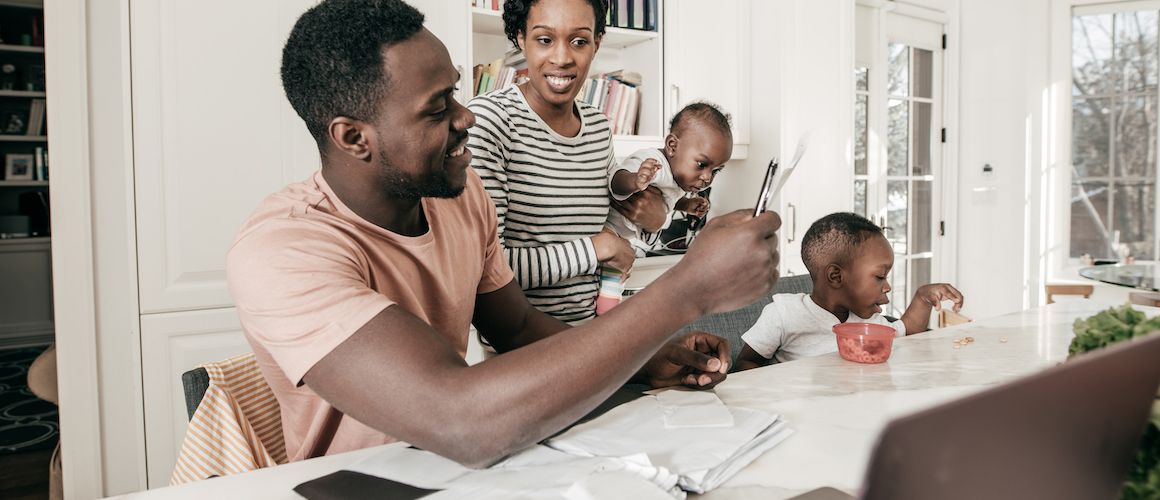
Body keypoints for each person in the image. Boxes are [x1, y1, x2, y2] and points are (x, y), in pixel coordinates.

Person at [226, 0, 782, 468]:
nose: (466, 117)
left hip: (469, 471)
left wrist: (648, 358)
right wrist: (688, 289)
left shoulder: (462, 201)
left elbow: (516, 326)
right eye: (436, 108)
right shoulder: (282, 251)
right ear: (353, 138)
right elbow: (458, 419)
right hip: (366, 481)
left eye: (456, 94)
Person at [468, 0, 671, 324]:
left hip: (596, 335)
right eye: (545, 39)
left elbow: (619, 230)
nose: (562, 58)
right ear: (520, 38)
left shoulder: (598, 125)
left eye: (578, 41)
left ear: (597, 42)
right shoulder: (491, 120)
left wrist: (655, 220)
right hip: (522, 351)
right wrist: (596, 249)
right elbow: (487, 269)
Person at [736, 212, 962, 370]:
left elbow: (908, 331)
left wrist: (922, 298)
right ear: (836, 277)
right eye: (879, 277)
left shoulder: (870, 323)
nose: (887, 287)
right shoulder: (784, 313)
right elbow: (745, 364)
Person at [606, 102, 733, 257]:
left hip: (623, 243)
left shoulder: (676, 181)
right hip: (606, 233)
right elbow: (615, 182)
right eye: (701, 164)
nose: (707, 177)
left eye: (716, 170)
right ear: (672, 146)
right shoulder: (653, 163)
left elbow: (668, 201)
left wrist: (686, 205)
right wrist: (634, 180)